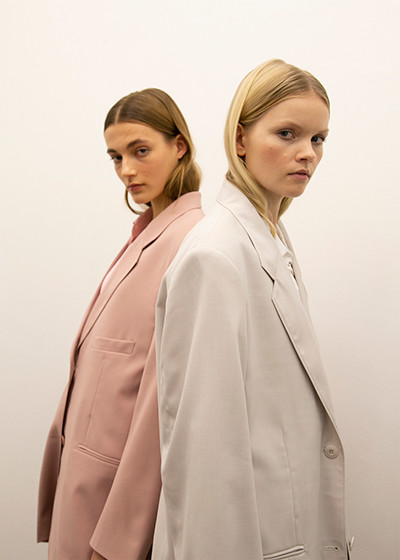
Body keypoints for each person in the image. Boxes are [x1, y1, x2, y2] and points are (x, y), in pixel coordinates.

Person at [152, 60, 353, 560]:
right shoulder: (215, 256)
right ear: (240, 139)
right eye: (287, 133)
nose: (307, 153)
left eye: (318, 139)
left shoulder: (270, 234)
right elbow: (205, 454)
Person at [37, 88, 204, 560]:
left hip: (113, 501)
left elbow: (162, 405)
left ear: (180, 146)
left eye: (140, 151)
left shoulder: (190, 243)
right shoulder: (146, 235)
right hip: (85, 478)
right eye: (116, 157)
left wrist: (121, 539)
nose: (126, 170)